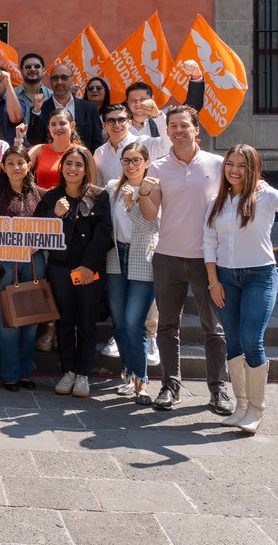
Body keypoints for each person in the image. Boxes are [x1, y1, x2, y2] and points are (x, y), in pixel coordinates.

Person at [205, 147, 278, 433]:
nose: (234, 170)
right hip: (225, 278)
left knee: (252, 339)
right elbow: (208, 242)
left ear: (252, 169)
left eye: (241, 165)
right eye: (230, 164)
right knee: (234, 342)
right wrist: (213, 282)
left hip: (260, 276)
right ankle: (241, 405)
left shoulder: (265, 195)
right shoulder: (217, 201)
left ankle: (256, 408)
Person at [139, 105, 232, 414]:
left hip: (208, 260)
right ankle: (170, 385)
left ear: (196, 130)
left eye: (183, 126)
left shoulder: (218, 164)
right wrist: (144, 192)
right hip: (167, 257)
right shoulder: (158, 166)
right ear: (167, 132)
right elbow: (150, 214)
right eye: (172, 126)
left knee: (213, 327)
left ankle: (219, 389)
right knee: (167, 325)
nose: (178, 131)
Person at [36, 146, 114, 399]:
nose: (73, 169)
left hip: (89, 270)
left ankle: (83, 374)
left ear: (86, 169)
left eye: (78, 165)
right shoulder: (51, 197)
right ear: (62, 167)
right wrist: (54, 216)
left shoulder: (99, 196)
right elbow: (39, 231)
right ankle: (68, 369)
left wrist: (89, 266)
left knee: (87, 322)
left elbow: (104, 235)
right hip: (59, 268)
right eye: (68, 163)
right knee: (65, 321)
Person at [0, 145, 46, 391]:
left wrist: (37, 242)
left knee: (31, 317)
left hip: (34, 261)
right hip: (5, 262)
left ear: (28, 165)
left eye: (21, 162)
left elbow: (51, 229)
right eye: (10, 163)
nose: (16, 167)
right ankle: (9, 373)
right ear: (3, 167)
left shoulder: (41, 194)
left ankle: (25, 372)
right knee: (7, 319)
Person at [103, 142, 161, 405]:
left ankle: (142, 382)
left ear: (147, 162)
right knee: (119, 323)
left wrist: (131, 204)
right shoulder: (112, 187)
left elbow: (150, 226)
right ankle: (127, 375)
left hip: (142, 259)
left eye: (137, 160)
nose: (131, 165)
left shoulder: (153, 188)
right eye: (127, 160)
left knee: (132, 323)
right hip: (116, 257)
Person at [27, 66, 105, 153]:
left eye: (64, 78)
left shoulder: (89, 108)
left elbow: (97, 142)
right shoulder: (40, 109)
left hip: (82, 162)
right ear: (50, 81)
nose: (59, 82)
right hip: (50, 162)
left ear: (72, 80)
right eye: (55, 78)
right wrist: (37, 110)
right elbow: (33, 140)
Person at [28, 109, 80, 191]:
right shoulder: (38, 150)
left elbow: (91, 185)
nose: (58, 128)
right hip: (42, 201)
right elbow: (19, 167)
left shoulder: (82, 152)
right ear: (49, 128)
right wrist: (18, 139)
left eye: (62, 123)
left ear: (72, 126)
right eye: (53, 124)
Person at [15, 53, 52, 120]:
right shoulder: (11, 95)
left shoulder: (52, 96)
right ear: (21, 71)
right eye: (28, 67)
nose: (32, 69)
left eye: (37, 66)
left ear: (43, 70)